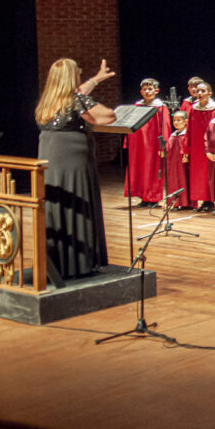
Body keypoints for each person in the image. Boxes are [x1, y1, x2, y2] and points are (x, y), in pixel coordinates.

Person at [35, 58, 116, 279]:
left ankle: (59, 261)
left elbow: (75, 95)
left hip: (52, 158)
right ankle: (79, 263)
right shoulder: (76, 100)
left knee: (59, 204)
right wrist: (88, 99)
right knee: (76, 200)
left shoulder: (48, 100)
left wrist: (96, 80)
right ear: (72, 78)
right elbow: (108, 116)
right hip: (73, 162)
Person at [123, 77, 170, 207]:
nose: (147, 92)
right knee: (139, 170)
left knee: (153, 170)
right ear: (141, 91)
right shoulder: (137, 106)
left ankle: (153, 198)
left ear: (156, 90)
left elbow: (164, 127)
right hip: (138, 145)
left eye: (150, 89)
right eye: (144, 89)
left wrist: (163, 146)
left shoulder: (160, 107)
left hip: (153, 144)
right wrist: (127, 142)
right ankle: (144, 197)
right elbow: (130, 124)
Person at [186, 82, 215, 212]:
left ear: (209, 94)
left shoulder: (214, 109)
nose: (199, 93)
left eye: (203, 91)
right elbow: (189, 129)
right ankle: (203, 201)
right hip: (196, 147)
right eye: (198, 91)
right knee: (198, 175)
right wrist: (186, 148)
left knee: (209, 174)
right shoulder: (194, 109)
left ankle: (210, 201)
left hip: (209, 146)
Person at [166, 111, 191, 210]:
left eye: (179, 120)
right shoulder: (173, 135)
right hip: (173, 164)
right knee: (173, 182)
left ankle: (186, 203)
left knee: (184, 180)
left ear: (186, 121)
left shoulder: (186, 135)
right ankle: (175, 202)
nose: (176, 122)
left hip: (183, 163)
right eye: (174, 120)